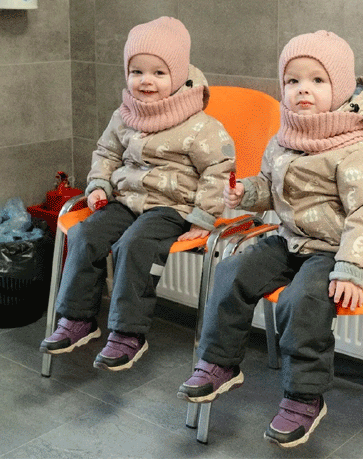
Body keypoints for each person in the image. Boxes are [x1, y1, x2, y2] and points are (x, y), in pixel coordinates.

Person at [177, 31, 363, 448]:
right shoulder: (283, 139)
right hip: (289, 240)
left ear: (340, 88)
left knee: (302, 299)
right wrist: (247, 194)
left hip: (333, 251)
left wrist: (351, 268)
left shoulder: (357, 150)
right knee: (232, 270)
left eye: (317, 80)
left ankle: (304, 397)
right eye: (293, 81)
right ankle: (221, 363)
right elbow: (270, 187)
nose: (302, 90)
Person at [40, 17, 235, 372]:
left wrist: (204, 218)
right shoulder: (124, 114)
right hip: (125, 200)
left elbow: (218, 170)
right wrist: (99, 185)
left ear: (178, 75)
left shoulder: (200, 125)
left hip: (171, 207)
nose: (146, 81)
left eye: (159, 73)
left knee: (134, 244)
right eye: (137, 72)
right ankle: (78, 319)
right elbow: (106, 152)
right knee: (85, 234)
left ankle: (128, 333)